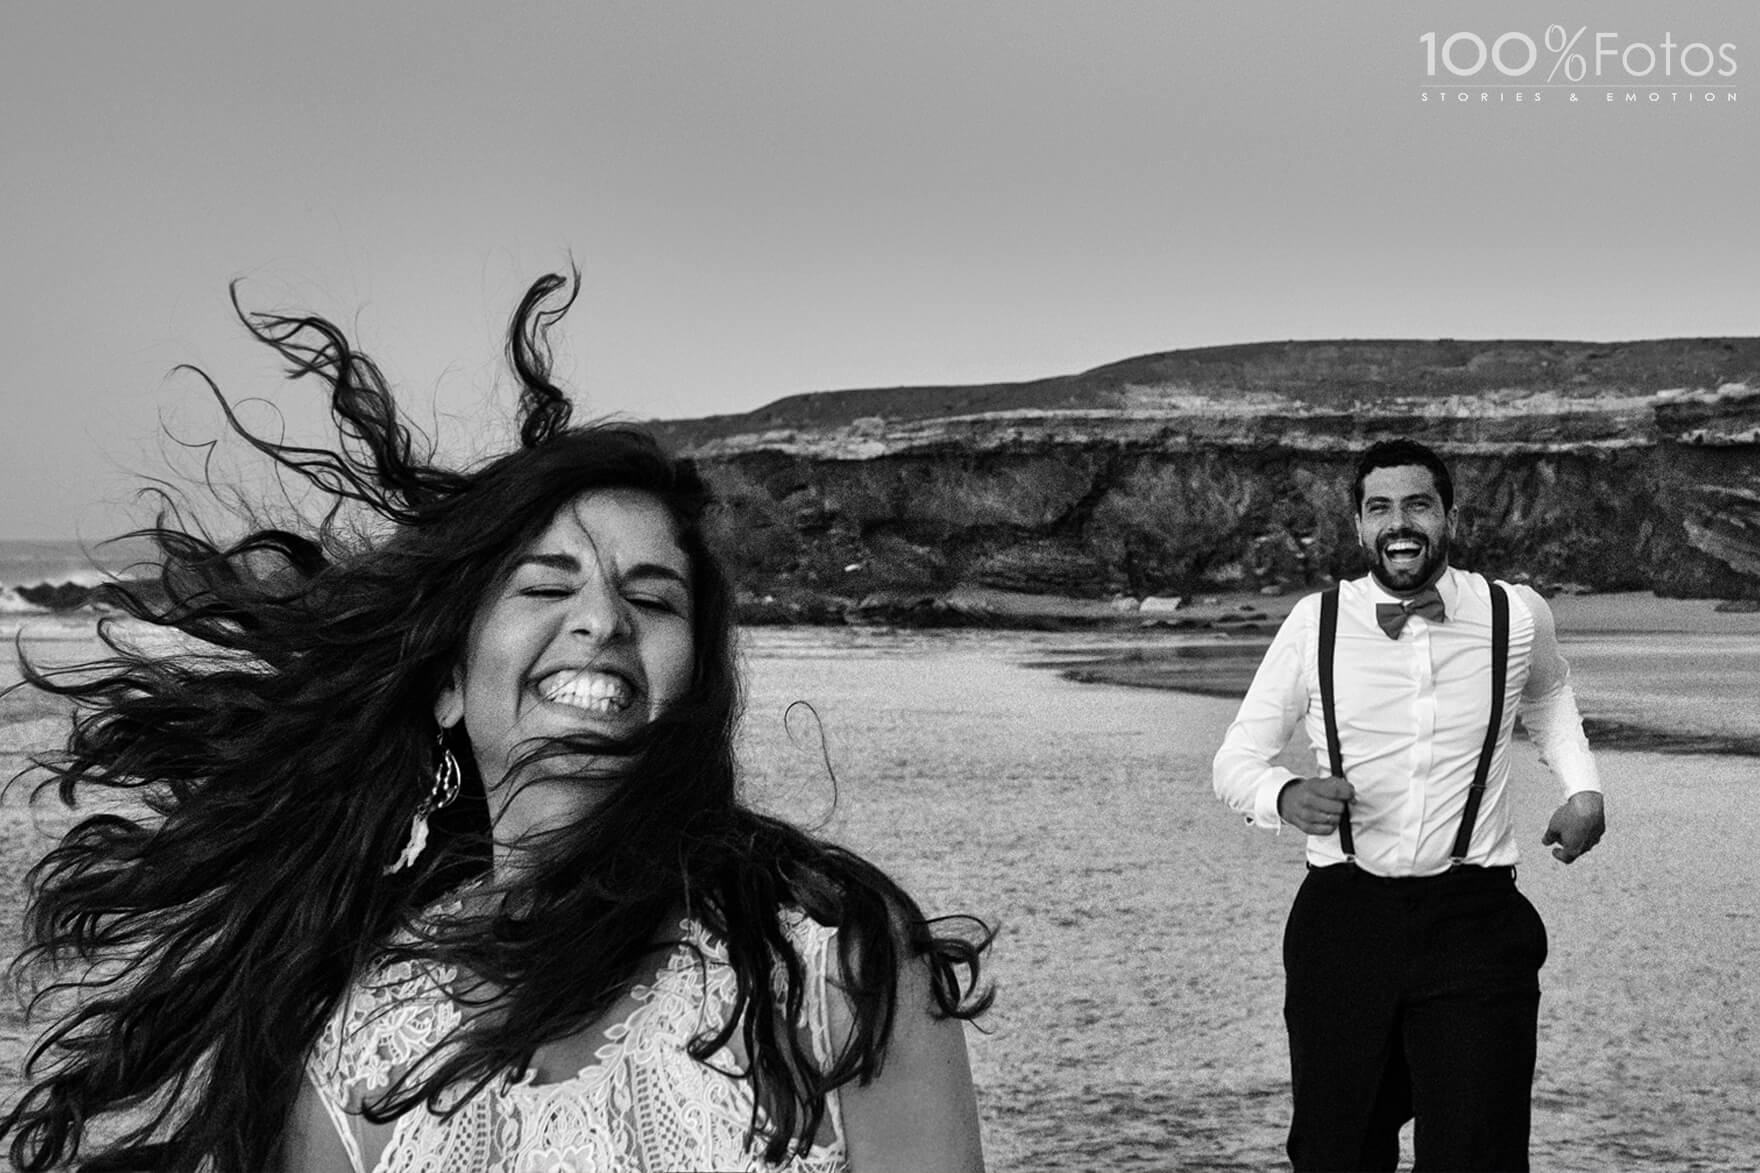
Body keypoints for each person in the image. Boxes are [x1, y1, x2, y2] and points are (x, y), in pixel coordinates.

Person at [0, 273, 992, 1173]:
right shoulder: (357, 1047)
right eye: (545, 586)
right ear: (447, 681)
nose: (600, 619)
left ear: (693, 685)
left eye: (650, 600)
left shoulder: (835, 974)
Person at [1212, 438, 1605, 1172]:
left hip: (1476, 922)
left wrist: (1583, 787)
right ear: (1359, 526)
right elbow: (1235, 759)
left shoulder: (1515, 615)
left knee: (1478, 1155)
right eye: (1381, 507)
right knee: (1337, 1152)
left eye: (1418, 504)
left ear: (1449, 515)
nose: (1401, 523)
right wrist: (1285, 794)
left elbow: (1549, 694)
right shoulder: (1314, 624)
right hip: (1343, 922)